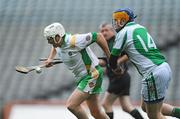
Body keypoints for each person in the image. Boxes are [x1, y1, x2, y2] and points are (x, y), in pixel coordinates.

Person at [109, 8, 180, 119]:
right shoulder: (140, 28)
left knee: (154, 115)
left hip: (153, 73)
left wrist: (115, 68)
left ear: (124, 20)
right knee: (145, 107)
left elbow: (112, 59)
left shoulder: (123, 33)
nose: (116, 23)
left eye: (118, 19)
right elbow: (133, 50)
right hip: (163, 67)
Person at [43, 22, 110, 119]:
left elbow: (98, 36)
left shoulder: (74, 40)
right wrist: (50, 59)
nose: (49, 42)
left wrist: (109, 56)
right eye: (48, 39)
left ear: (58, 36)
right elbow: (54, 47)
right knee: (96, 113)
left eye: (50, 39)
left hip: (92, 75)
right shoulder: (58, 44)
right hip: (82, 78)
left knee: (72, 105)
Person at [99, 23, 144, 119]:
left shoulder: (116, 41)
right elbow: (105, 62)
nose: (104, 33)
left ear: (112, 31)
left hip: (119, 78)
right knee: (126, 107)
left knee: (106, 104)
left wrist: (118, 61)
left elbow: (129, 53)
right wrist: (93, 61)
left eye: (106, 30)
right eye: (102, 31)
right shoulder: (107, 43)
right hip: (122, 78)